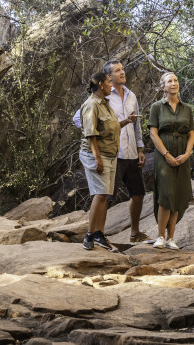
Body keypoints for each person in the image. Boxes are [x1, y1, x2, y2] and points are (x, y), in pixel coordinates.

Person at [73, 59, 150, 243]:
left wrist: (140, 148)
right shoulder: (101, 98)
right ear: (108, 77)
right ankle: (98, 234)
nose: (122, 72)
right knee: (105, 195)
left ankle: (134, 233)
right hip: (112, 155)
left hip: (129, 152)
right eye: (117, 70)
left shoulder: (131, 95)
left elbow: (135, 125)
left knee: (137, 193)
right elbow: (79, 120)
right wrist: (97, 137)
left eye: (122, 69)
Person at [147, 72, 194, 250]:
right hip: (163, 154)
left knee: (178, 195)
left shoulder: (187, 108)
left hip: (183, 155)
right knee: (166, 194)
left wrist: (187, 153)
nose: (173, 83)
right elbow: (153, 133)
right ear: (163, 87)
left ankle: (171, 238)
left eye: (175, 80)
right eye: (169, 81)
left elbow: (191, 134)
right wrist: (166, 154)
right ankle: (160, 236)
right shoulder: (157, 107)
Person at [78, 71, 121, 252]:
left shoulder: (106, 104)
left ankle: (99, 234)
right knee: (100, 193)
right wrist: (97, 158)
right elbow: (90, 134)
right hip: (96, 155)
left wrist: (126, 121)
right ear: (101, 84)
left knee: (104, 195)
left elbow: (109, 128)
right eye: (109, 82)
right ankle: (89, 234)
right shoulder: (91, 105)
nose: (112, 85)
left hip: (110, 154)